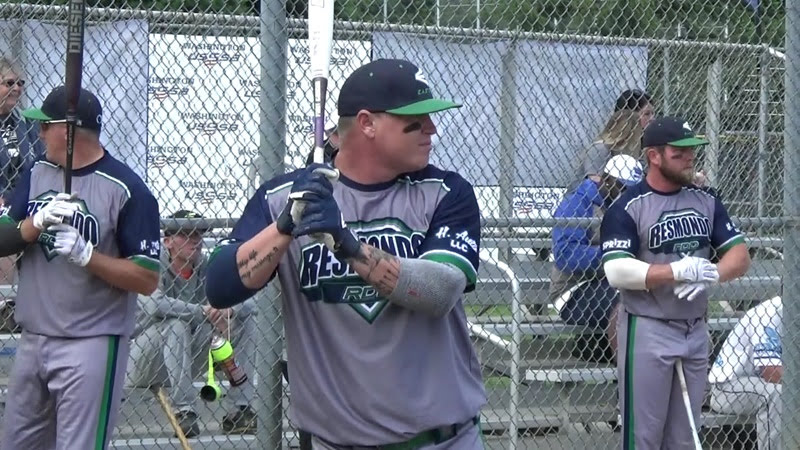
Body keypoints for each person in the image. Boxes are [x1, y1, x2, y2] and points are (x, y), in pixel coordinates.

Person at [205, 58, 486, 449]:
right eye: (415, 120)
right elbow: (219, 286)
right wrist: (285, 227)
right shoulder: (284, 199)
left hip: (440, 441)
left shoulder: (445, 192)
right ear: (367, 123)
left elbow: (440, 292)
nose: (431, 128)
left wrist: (346, 243)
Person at [0, 85, 161, 449]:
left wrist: (89, 257)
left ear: (67, 132)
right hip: (33, 337)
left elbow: (147, 277)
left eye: (46, 126)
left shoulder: (128, 189)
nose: (39, 133)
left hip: (91, 342)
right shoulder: (37, 171)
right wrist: (34, 224)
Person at [600, 116, 751, 449]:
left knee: (686, 437)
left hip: (694, 328)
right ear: (654, 156)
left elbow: (739, 255)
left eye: (691, 151)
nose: (689, 158)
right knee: (644, 437)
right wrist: (678, 271)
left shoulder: (706, 200)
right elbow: (617, 271)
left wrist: (713, 273)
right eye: (678, 153)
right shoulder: (628, 206)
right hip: (647, 326)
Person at [126, 209, 258, 437]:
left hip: (186, 357)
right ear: (167, 241)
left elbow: (251, 301)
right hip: (143, 359)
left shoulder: (206, 266)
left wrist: (229, 309)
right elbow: (155, 306)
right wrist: (203, 312)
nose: (194, 240)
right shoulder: (153, 264)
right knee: (177, 325)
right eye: (185, 234)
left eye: (198, 234)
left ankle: (238, 411)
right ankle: (184, 411)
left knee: (245, 321)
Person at [550, 154, 644, 363]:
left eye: (632, 190)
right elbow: (566, 255)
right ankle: (627, 369)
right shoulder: (577, 202)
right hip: (574, 289)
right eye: (623, 187)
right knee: (629, 303)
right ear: (606, 180)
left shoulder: (632, 205)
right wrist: (615, 253)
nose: (627, 194)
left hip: (617, 282)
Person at [709, 296, 782, 450]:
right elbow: (771, 373)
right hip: (727, 388)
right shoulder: (769, 313)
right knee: (777, 393)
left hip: (759, 384)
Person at [0, 57, 45, 287]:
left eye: (20, 83)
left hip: (25, 200)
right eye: (9, 83)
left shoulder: (27, 123)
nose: (17, 88)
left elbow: (43, 160)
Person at [580, 89, 653, 179]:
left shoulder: (642, 148)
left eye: (652, 114)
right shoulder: (601, 148)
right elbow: (593, 183)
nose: (652, 119)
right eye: (647, 114)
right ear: (628, 116)